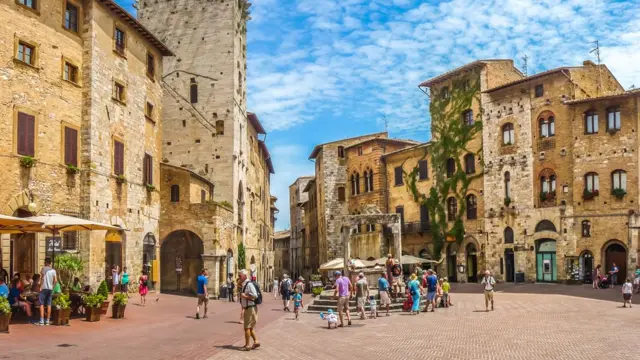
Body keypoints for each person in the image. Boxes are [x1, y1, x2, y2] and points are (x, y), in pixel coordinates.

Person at [239, 269, 260, 351]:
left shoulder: (249, 284)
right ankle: (256, 341)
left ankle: (247, 345)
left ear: (244, 276)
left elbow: (255, 295)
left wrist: (245, 297)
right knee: (250, 327)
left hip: (250, 308)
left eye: (240, 276)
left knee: (247, 328)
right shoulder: (245, 284)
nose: (239, 277)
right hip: (248, 307)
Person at [35, 257, 57, 326]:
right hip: (50, 289)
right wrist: (52, 287)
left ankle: (41, 321)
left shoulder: (43, 269)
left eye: (44, 262)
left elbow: (42, 278)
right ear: (50, 263)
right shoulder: (53, 271)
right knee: (49, 304)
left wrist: (40, 286)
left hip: (44, 288)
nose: (44, 263)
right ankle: (47, 320)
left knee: (41, 304)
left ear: (46, 262)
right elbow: (55, 280)